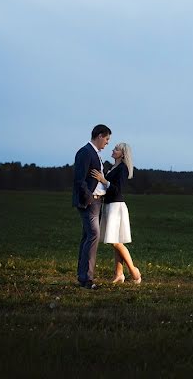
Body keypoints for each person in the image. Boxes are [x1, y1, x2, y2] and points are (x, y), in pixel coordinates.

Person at [91, 142, 142, 284]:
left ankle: (134, 271)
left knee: (115, 242)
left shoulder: (123, 168)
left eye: (116, 149)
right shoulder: (113, 167)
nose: (113, 150)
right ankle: (119, 274)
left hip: (116, 207)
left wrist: (103, 180)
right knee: (116, 241)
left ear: (123, 154)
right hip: (108, 205)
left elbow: (117, 189)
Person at [72, 124, 111, 289]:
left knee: (88, 236)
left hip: (97, 202)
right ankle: (87, 279)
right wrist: (89, 198)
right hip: (90, 202)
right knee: (93, 235)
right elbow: (79, 179)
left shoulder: (95, 154)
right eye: (107, 139)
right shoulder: (85, 152)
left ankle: (82, 278)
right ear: (100, 135)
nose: (107, 143)